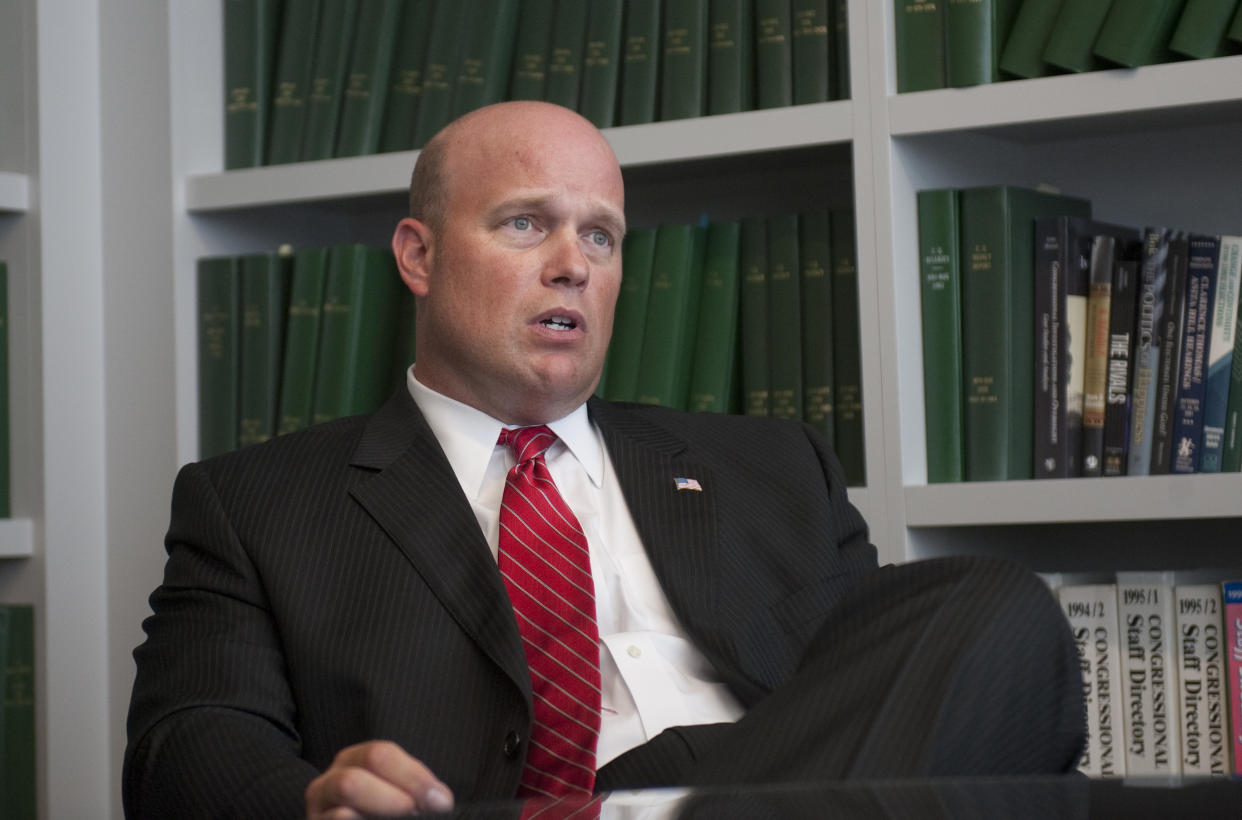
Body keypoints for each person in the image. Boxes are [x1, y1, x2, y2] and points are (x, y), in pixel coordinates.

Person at [124, 102, 1084, 820]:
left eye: (601, 235)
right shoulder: (259, 503)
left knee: (992, 603)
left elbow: (874, 705)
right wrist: (313, 800)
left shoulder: (775, 466)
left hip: (775, 792)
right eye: (525, 224)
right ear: (418, 257)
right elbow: (187, 746)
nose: (573, 264)